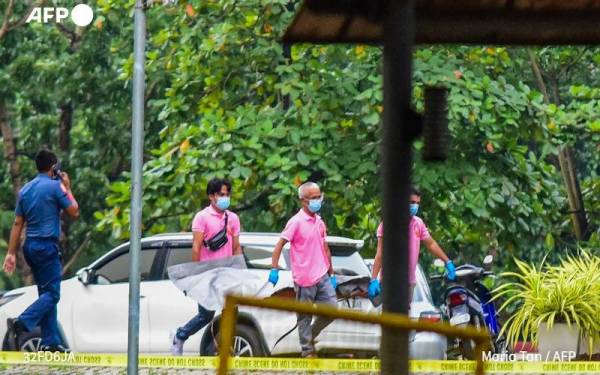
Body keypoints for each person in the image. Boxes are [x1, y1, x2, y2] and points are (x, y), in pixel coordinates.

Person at [3, 150, 79, 352]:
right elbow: (74, 211)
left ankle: (50, 342)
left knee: (46, 293)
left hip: (30, 247)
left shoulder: (26, 190)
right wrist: (68, 188)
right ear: (54, 167)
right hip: (47, 247)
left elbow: (18, 223)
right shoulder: (56, 187)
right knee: (53, 295)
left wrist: (11, 253)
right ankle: (22, 323)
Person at [171, 178, 241, 355]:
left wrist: (240, 270)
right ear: (211, 196)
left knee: (231, 313)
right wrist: (197, 274)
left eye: (227, 194)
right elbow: (196, 246)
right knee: (206, 314)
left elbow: (236, 246)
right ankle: (180, 336)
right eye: (221, 194)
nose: (225, 198)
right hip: (207, 273)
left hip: (227, 272)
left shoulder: (232, 218)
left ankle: (220, 347)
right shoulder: (202, 217)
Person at [268, 181, 337, 358]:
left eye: (319, 197)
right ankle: (307, 351)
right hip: (304, 278)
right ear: (303, 200)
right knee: (304, 317)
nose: (317, 201)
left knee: (332, 310)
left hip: (322, 275)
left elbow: (325, 248)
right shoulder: (296, 222)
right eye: (313, 198)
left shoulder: (320, 222)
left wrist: (332, 273)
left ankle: (311, 336)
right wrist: (274, 269)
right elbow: (279, 245)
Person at [368, 187, 456, 301]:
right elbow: (380, 253)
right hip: (390, 281)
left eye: (417, 203)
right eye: (412, 202)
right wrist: (373, 279)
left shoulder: (418, 223)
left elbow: (431, 244)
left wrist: (447, 261)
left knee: (405, 316)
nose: (415, 206)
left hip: (409, 282)